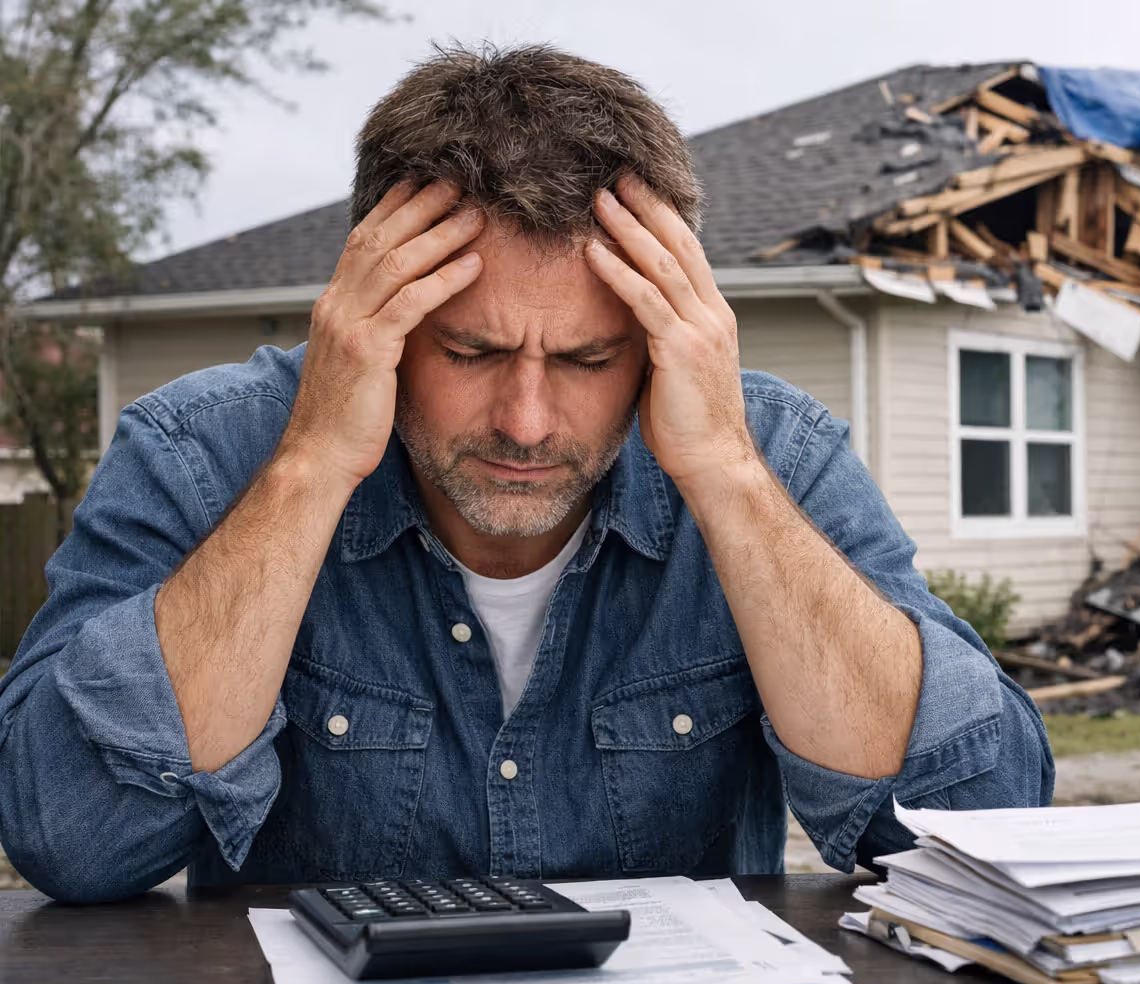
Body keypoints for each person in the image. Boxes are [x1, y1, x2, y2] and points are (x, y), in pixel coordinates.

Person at [0, 45, 1052, 903]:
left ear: (657, 338)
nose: (527, 420)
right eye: (470, 353)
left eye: (591, 360)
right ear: (378, 315)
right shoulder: (199, 453)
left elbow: (978, 821)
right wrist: (314, 461)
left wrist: (727, 474)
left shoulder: (774, 455)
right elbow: (69, 838)